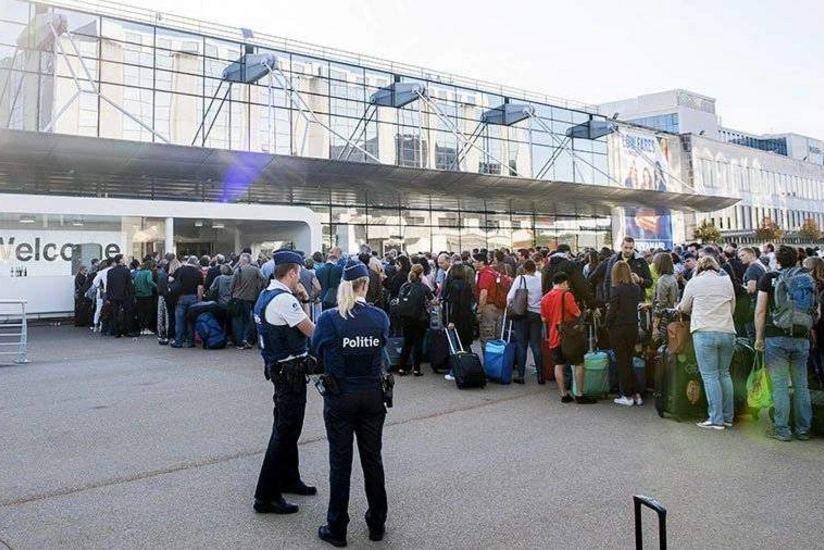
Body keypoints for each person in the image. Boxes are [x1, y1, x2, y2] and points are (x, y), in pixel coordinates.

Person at [311, 260, 391, 547]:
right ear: (365, 285)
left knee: (340, 462)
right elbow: (383, 347)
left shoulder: (329, 318)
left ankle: (337, 528)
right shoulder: (379, 317)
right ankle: (377, 524)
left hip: (340, 397)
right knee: (373, 459)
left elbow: (315, 352)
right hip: (372, 395)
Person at [253, 249, 317, 516]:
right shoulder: (284, 300)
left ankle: (290, 478)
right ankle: (266, 496)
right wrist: (305, 301)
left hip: (278, 368)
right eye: (298, 273)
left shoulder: (267, 295)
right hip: (289, 370)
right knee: (285, 431)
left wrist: (303, 298)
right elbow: (311, 330)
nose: (299, 277)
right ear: (291, 272)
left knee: (287, 428)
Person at [754, 245, 814, 441]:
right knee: (801, 385)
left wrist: (759, 337)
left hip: (776, 336)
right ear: (797, 258)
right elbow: (816, 311)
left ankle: (782, 429)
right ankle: (804, 429)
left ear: (777, 260)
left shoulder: (769, 278)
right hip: (801, 337)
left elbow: (760, 311)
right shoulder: (806, 278)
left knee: (779, 385)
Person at [677, 256, 736, 430]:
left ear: (699, 268)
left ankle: (716, 419)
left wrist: (679, 308)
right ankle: (728, 417)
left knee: (710, 376)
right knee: (724, 374)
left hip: (704, 331)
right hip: (727, 331)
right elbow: (732, 308)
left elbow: (684, 307)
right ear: (716, 267)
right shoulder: (727, 281)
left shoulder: (694, 282)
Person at [540, 272, 597, 405]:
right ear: (564, 282)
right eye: (568, 284)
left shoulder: (545, 298)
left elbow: (543, 319)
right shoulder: (567, 295)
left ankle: (564, 394)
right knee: (578, 364)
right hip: (570, 336)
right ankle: (579, 394)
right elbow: (576, 313)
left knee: (558, 365)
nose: (569, 286)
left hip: (554, 335)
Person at [605, 261, 643, 406]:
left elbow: (612, 310)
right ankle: (637, 394)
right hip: (632, 327)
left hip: (618, 328)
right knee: (629, 360)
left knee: (622, 362)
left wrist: (606, 324)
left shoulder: (616, 289)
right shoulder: (636, 288)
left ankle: (628, 395)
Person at [506, 259, 543, 384]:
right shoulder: (540, 280)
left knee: (521, 345)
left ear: (524, 268)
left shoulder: (520, 279)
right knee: (536, 345)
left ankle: (521, 375)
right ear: (535, 268)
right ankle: (540, 375)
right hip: (536, 314)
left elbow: (510, 296)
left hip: (521, 314)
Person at [396, 264, 434, 377]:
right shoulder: (423, 287)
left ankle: (402, 368)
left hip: (406, 318)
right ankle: (417, 369)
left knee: (407, 343)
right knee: (418, 343)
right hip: (420, 319)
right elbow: (432, 300)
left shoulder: (404, 286)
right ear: (421, 274)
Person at [441, 263, 475, 382]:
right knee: (465, 345)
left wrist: (451, 320)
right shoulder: (467, 285)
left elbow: (454, 305)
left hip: (456, 319)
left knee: (454, 346)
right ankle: (467, 368)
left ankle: (454, 371)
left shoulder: (453, 286)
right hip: (466, 318)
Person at [231, 252, 267, 350]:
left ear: (241, 261)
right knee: (248, 320)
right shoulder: (255, 269)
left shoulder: (238, 270)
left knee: (238, 320)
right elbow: (263, 279)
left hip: (237, 297)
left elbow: (232, 284)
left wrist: (232, 294)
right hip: (250, 297)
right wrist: (260, 287)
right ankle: (246, 339)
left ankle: (239, 341)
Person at [603, 237, 653, 302]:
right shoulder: (613, 260)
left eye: (631, 248)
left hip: (635, 301)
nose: (628, 250)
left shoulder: (641, 261)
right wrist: (607, 301)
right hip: (616, 300)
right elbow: (607, 281)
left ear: (634, 247)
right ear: (621, 246)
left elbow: (649, 282)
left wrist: (640, 280)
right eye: (626, 247)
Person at [170, 256, 203, 348]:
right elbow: (200, 288)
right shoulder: (198, 273)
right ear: (196, 263)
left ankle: (178, 342)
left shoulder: (180, 270)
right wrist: (199, 300)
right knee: (191, 320)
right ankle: (190, 342)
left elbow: (171, 280)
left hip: (181, 297)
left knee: (179, 321)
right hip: (193, 298)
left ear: (188, 262)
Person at [739, 247, 766, 340]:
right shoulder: (760, 267)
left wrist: (741, 287)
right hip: (761, 301)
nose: (741, 258)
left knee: (751, 331)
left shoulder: (752, 268)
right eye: (740, 256)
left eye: (743, 255)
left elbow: (751, 289)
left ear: (751, 255)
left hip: (754, 302)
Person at [651, 252, 679, 340]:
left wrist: (655, 325)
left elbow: (661, 303)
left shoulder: (663, 280)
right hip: (672, 315)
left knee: (663, 342)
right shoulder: (672, 278)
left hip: (664, 318)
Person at [106, 254, 134, 338]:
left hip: (113, 296)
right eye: (123, 258)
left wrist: (108, 296)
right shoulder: (126, 271)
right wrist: (131, 295)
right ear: (120, 260)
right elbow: (129, 285)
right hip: (125, 295)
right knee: (126, 313)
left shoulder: (110, 272)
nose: (124, 260)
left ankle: (116, 332)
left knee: (115, 313)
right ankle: (126, 331)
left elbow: (108, 285)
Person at [134, 260, 157, 336]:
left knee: (141, 312)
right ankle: (146, 328)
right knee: (148, 312)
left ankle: (142, 328)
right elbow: (149, 281)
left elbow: (135, 282)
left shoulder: (138, 273)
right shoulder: (149, 272)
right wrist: (157, 286)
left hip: (138, 295)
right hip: (147, 294)